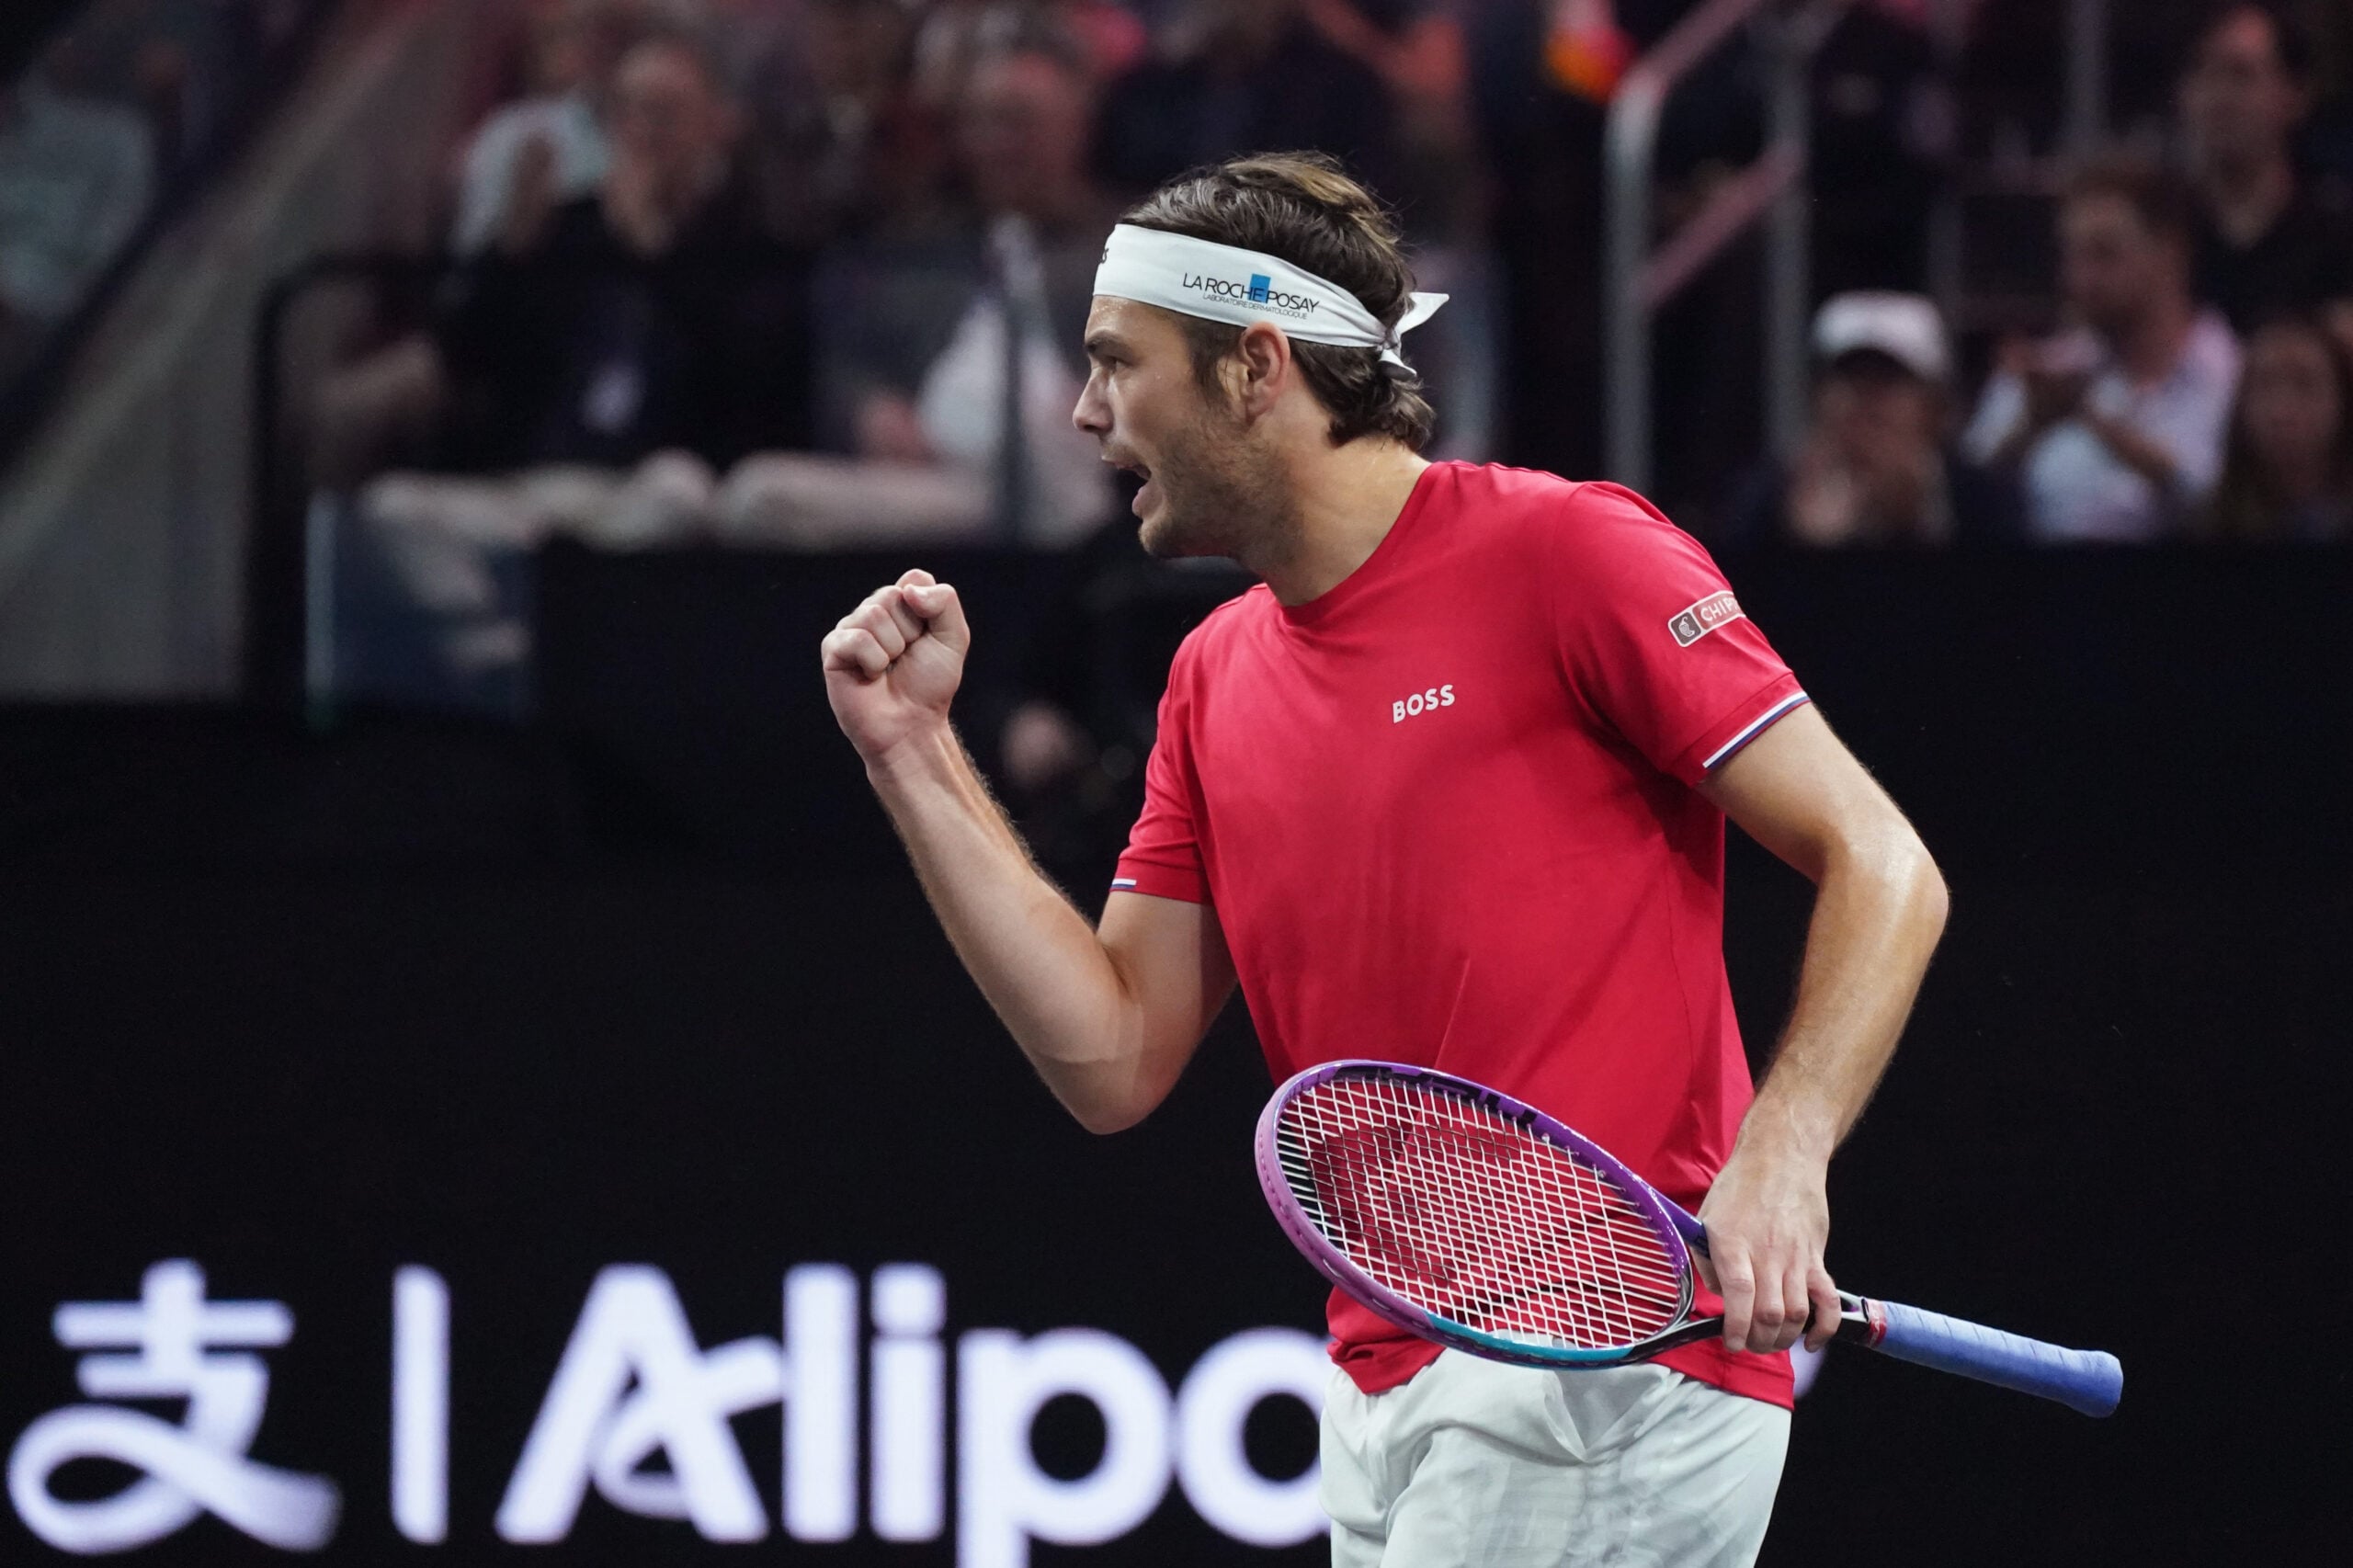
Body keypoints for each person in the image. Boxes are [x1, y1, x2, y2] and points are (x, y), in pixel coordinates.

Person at [821, 153, 1949, 1565]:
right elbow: (1111, 1054)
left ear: (1255, 370)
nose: (1087, 410)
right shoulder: (1212, 677)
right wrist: (915, 756)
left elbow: (1884, 860)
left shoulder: (1571, 555)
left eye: (1119, 362)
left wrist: (1784, 1154)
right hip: (1383, 1386)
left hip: (1607, 1363)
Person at [1963, 156, 2242, 542]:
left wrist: (2094, 423)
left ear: (2171, 251)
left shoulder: (2235, 377)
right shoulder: (2040, 376)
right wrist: (2028, 430)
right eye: (2072, 255)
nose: (2080, 279)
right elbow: (1959, 507)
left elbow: (2248, 511)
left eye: (2104, 254)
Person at [1723, 292, 2021, 549]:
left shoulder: (1986, 502)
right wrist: (1804, 548)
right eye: (1850, 378)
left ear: (1933, 405)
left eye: (1887, 380)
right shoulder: (1768, 500)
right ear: (1818, 398)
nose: (1866, 402)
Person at [2178, 3, 2353, 337]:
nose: (2219, 98)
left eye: (2241, 74)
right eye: (2203, 72)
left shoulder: (2339, 235)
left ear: (2294, 95)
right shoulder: (2165, 236)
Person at [2200, 311, 2353, 540]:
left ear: (2342, 400)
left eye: (2305, 385)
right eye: (2266, 385)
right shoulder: (2206, 523)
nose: (2282, 411)